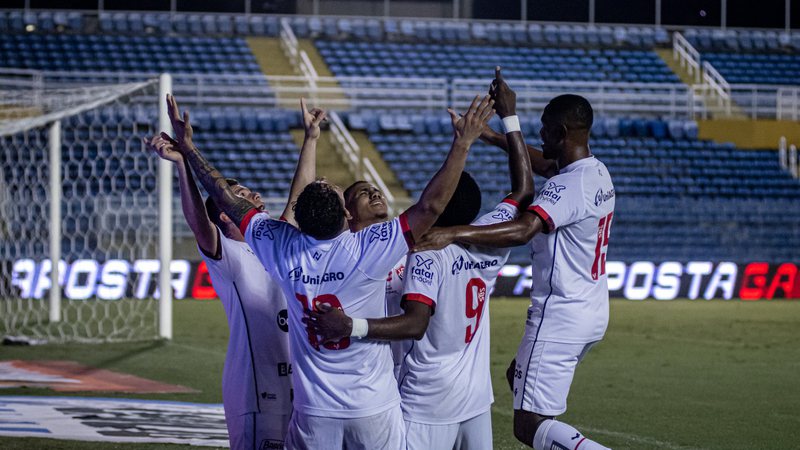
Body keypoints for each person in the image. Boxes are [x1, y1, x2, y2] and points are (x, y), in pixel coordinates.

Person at [167, 93, 495, 449]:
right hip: (373, 407)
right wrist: (463, 143)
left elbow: (225, 196)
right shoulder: (369, 245)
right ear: (346, 217)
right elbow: (431, 205)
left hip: (314, 411)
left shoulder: (280, 246)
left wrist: (189, 152)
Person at [306, 67, 534, 450]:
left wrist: (351, 325)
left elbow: (414, 322)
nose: (376, 194)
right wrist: (506, 124)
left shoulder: (418, 248)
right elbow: (523, 191)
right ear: (346, 214)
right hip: (410, 389)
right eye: (364, 193)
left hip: (421, 397)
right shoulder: (482, 240)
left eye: (377, 189)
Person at [415, 94, 615, 450]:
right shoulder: (594, 172)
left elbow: (523, 230)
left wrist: (453, 232)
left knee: (527, 425)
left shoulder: (566, 187)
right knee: (517, 377)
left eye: (544, 131)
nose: (539, 137)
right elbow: (540, 169)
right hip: (592, 309)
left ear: (561, 132)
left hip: (559, 314)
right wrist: (494, 135)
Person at [144, 97, 325, 449]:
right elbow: (199, 225)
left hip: (301, 391)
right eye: (241, 195)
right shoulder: (228, 255)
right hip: (256, 395)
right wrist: (183, 165)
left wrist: (311, 139)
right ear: (226, 216)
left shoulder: (275, 242)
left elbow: (298, 199)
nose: (254, 195)